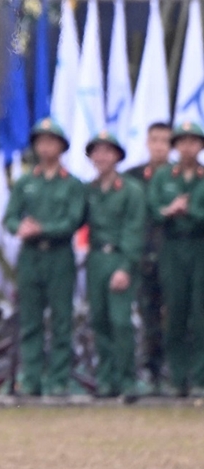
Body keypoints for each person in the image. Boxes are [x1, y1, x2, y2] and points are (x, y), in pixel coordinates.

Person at [3, 118, 85, 397]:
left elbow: (74, 220)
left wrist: (42, 229)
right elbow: (10, 218)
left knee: (62, 320)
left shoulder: (72, 184)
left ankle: (59, 380)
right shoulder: (25, 182)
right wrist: (20, 227)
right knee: (30, 320)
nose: (46, 146)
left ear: (61, 147)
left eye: (52, 141)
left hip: (59, 256)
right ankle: (31, 379)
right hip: (30, 258)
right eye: (41, 141)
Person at [83, 132, 146, 400]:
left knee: (121, 322)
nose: (101, 157)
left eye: (107, 151)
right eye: (96, 152)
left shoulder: (130, 190)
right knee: (99, 320)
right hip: (95, 258)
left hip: (120, 257)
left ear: (117, 156)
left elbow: (135, 229)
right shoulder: (89, 190)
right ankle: (106, 380)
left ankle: (128, 380)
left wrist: (126, 266)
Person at [147, 122, 204, 397]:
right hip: (171, 247)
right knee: (175, 313)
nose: (187, 147)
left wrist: (190, 210)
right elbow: (153, 209)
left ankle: (200, 378)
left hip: (199, 246)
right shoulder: (163, 177)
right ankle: (178, 378)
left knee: (200, 314)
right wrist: (169, 210)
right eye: (182, 142)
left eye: (193, 142)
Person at [125, 122, 171, 392]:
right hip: (142, 256)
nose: (159, 146)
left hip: (175, 255)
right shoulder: (132, 177)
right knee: (148, 316)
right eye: (154, 140)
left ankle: (181, 372)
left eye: (165, 141)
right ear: (146, 142)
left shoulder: (186, 175)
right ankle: (150, 370)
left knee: (181, 316)